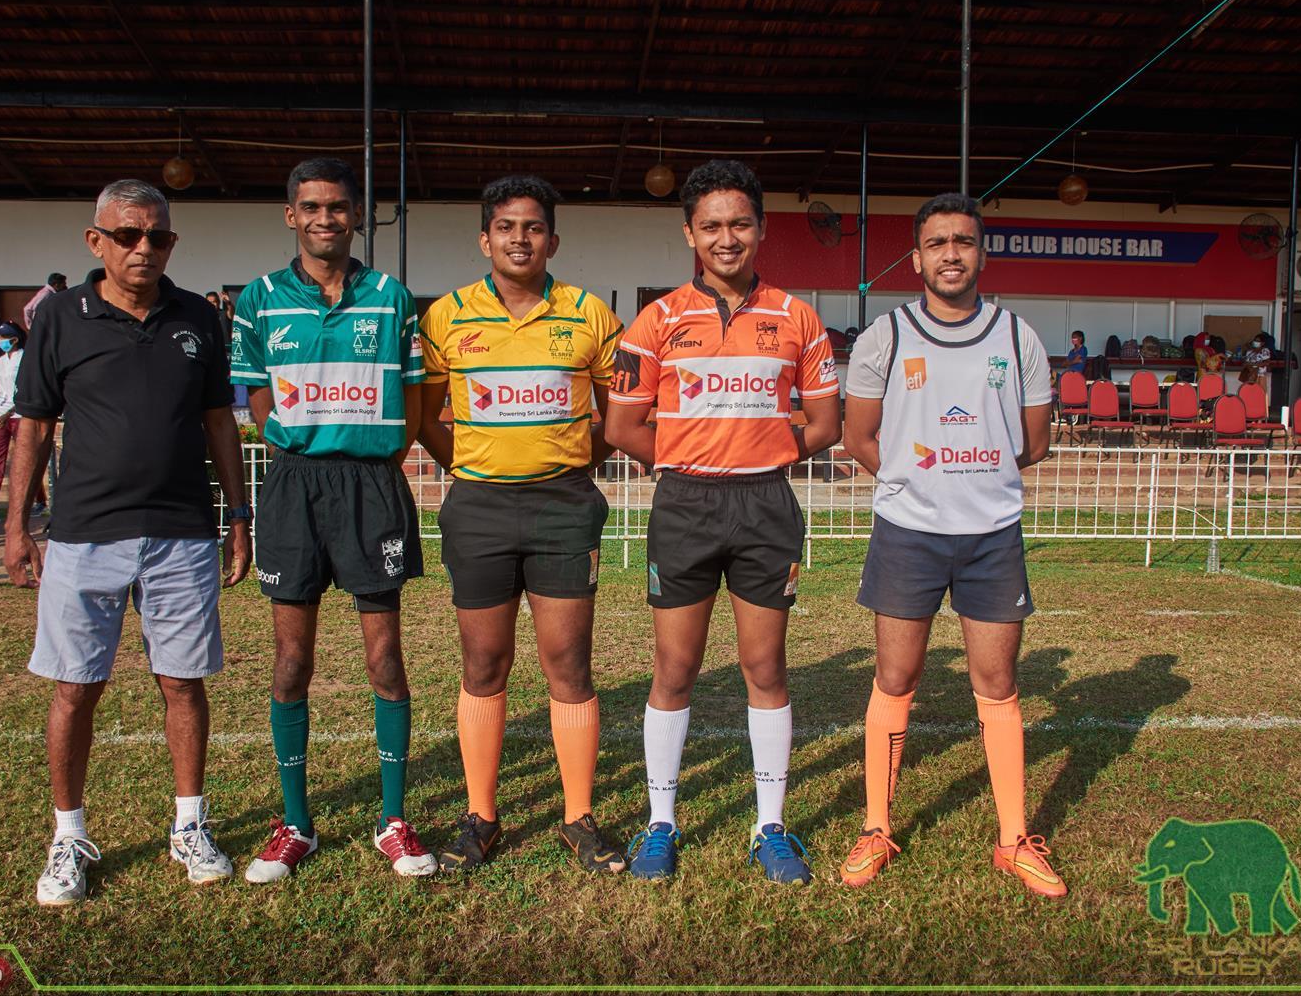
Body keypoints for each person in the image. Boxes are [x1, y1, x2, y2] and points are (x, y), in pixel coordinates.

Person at [5, 179, 251, 906]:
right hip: (84, 536)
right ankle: (68, 835)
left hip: (180, 533)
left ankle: (189, 825)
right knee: (76, 687)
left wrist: (238, 517)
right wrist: (18, 523)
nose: (144, 248)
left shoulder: (199, 320)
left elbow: (218, 424)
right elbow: (34, 427)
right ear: (96, 241)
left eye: (159, 236)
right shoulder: (58, 319)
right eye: (127, 235)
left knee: (183, 681)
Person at [606, 160, 842, 883]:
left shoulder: (797, 316)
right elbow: (621, 426)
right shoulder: (656, 320)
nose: (727, 236)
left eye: (740, 223)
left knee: (764, 667)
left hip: (766, 504)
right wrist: (681, 461)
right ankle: (660, 824)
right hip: (685, 504)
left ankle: (770, 826)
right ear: (689, 232)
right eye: (711, 225)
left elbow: (827, 422)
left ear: (761, 229)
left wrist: (761, 455)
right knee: (674, 669)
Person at [837, 192, 1064, 898]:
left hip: (992, 535)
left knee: (997, 686)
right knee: (895, 680)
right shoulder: (886, 337)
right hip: (908, 533)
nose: (952, 254)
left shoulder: (1017, 336)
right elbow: (858, 437)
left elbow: (1034, 442)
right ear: (917, 257)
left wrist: (975, 478)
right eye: (937, 243)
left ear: (982, 252)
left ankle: (1012, 839)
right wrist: (918, 480)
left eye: (964, 241)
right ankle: (876, 827)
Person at [230, 157, 436, 882]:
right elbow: (252, 393)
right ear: (292, 215)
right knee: (292, 663)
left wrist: (373, 455)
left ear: (356, 216)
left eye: (338, 207)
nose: (325, 219)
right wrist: (291, 438)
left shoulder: (390, 297)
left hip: (370, 484)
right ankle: (296, 824)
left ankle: (394, 821)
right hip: (294, 486)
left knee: (385, 660)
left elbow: (413, 400)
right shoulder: (257, 299)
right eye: (311, 207)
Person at [417, 175, 627, 874]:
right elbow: (424, 417)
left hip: (564, 505)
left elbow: (617, 417)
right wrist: (470, 467)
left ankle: (578, 818)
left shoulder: (588, 313)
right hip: (477, 507)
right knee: (484, 662)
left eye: (533, 227)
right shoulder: (445, 317)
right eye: (506, 227)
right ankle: (482, 816)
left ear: (553, 240)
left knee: (568, 663)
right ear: (485, 239)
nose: (519, 238)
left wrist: (570, 463)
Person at [0, 322, 47, 524]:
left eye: (3, 337)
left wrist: (9, 412)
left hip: (19, 415)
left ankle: (39, 500)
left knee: (26, 460)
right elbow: (0, 390)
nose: (0, 341)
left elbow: (27, 390)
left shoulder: (26, 358)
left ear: (14, 339)